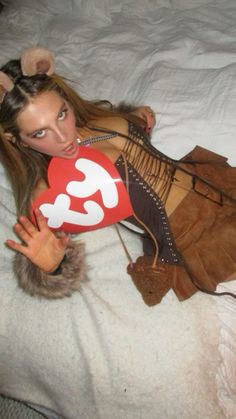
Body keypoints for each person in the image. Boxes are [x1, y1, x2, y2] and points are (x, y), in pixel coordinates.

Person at [0, 47, 236, 306]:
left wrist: (137, 117)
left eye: (62, 114)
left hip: (210, 179)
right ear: (16, 141)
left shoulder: (96, 121)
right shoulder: (47, 192)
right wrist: (52, 269)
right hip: (194, 235)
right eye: (39, 133)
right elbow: (47, 248)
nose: (63, 136)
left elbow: (128, 128)